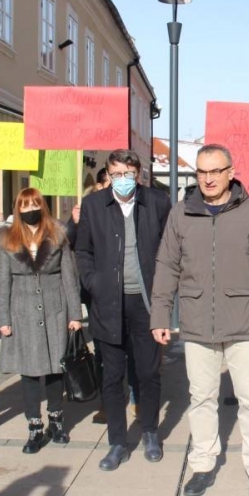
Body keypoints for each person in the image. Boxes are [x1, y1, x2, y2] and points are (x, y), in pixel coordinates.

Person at [150, 145, 249, 496]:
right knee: (202, 398)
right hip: (197, 321)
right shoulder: (181, 214)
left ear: (230, 171)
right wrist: (160, 314)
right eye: (201, 172)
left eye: (215, 171)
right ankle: (203, 464)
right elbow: (167, 265)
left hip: (244, 320)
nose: (208, 178)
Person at [77, 150, 172, 470]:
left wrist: (165, 294)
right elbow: (83, 251)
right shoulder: (94, 205)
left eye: (128, 173)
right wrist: (94, 283)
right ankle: (117, 442)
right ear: (108, 174)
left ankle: (149, 432)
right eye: (116, 173)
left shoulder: (158, 203)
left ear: (139, 173)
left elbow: (169, 250)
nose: (122, 179)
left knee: (148, 373)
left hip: (146, 303)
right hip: (108, 303)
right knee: (112, 376)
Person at [0, 188, 82, 454]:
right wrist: (4, 318)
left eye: (34, 204)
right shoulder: (7, 237)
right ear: (17, 209)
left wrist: (75, 314)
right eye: (24, 205)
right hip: (22, 311)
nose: (29, 209)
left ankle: (56, 421)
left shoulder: (57, 233)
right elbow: (4, 280)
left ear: (42, 206)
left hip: (55, 309)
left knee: (56, 369)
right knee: (30, 372)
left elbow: (69, 275)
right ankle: (34, 426)